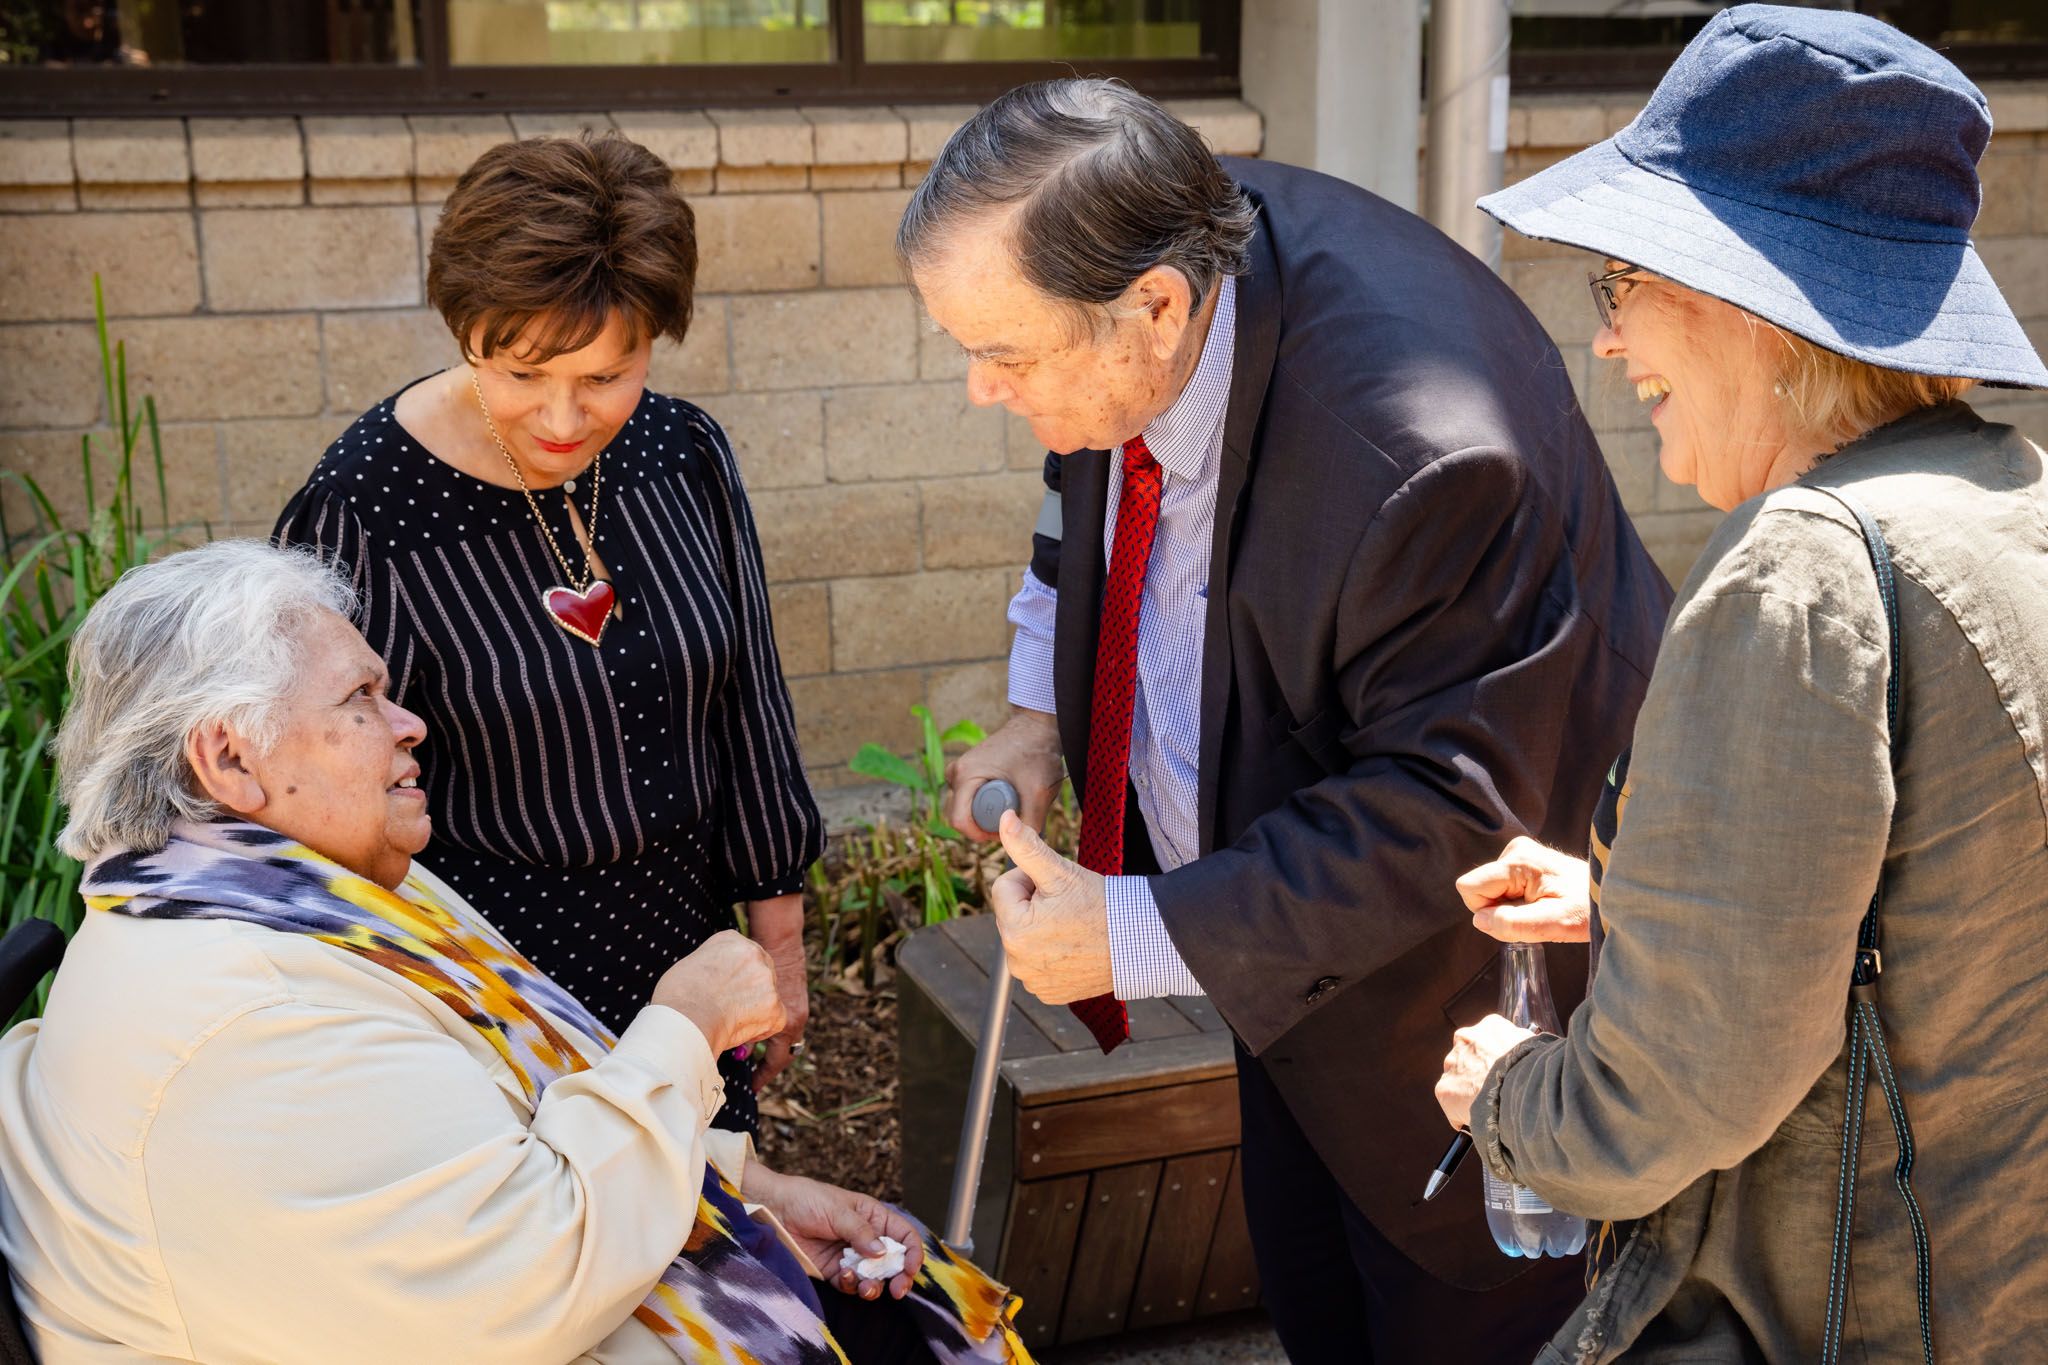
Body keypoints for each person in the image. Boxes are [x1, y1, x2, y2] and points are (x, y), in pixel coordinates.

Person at [901, 80, 1673, 1360]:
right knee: (1312, 1305)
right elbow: (1075, 488)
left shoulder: (1423, 462)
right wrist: (1038, 712)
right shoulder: (1162, 284)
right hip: (1277, 967)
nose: (982, 391)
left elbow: (1447, 810)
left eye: (1007, 356)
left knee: (1442, 1319)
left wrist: (1139, 929)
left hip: (1453, 1016)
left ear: (1152, 306)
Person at [0, 539, 1027, 1365]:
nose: (409, 725)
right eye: (358, 700)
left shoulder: (268, 902)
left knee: (906, 1303)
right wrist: (684, 1027)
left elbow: (486, 1129)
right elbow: (524, 1284)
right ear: (228, 758)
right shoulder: (246, 1015)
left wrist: (746, 1189)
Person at [1433, 8, 2048, 1361]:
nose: (1607, 345)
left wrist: (1511, 1097)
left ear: (1742, 299)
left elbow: (1677, 1096)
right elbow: (1960, 900)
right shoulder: (2007, 500)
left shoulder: (1804, 567)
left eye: (1618, 286)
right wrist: (1645, 896)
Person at [274, 132, 821, 1135]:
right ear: (463, 328)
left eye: (607, 376)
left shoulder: (679, 452)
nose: (564, 418)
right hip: (500, 982)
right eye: (519, 372)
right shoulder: (364, 511)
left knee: (720, 1240)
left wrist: (776, 943)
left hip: (684, 943)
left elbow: (748, 697)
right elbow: (328, 800)